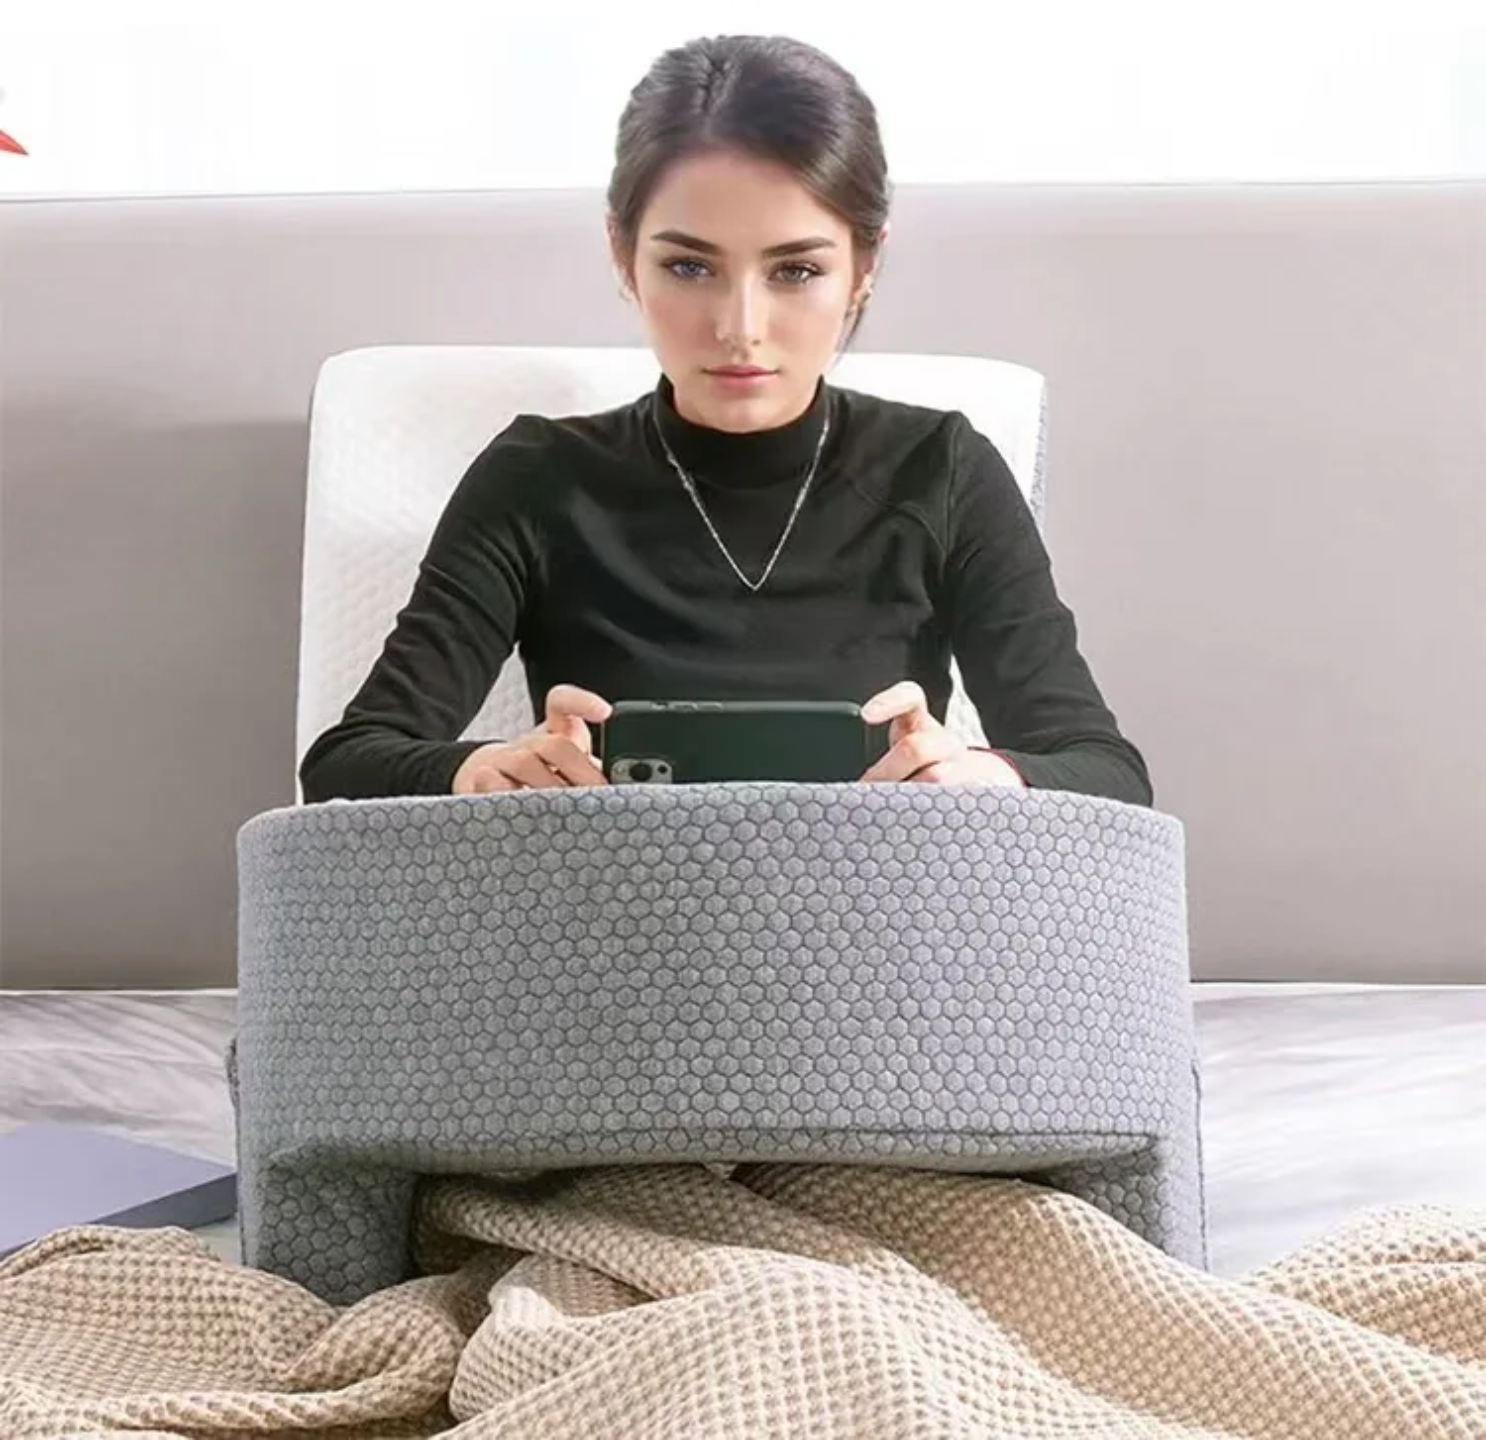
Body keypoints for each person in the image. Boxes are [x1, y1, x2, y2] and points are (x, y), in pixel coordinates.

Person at [299, 34, 1152, 808]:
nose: (740, 326)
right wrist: (482, 766)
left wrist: (979, 770)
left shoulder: (940, 467)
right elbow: (348, 758)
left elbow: (1105, 770)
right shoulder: (539, 476)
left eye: (795, 271)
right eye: (689, 265)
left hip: (880, 943)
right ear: (620, 256)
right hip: (609, 934)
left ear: (864, 266)